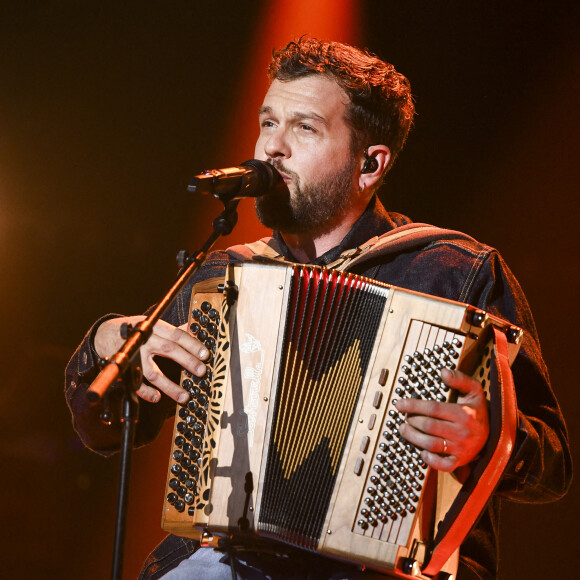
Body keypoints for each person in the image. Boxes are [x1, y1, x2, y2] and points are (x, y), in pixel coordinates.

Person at [65, 38, 571, 579]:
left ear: (369, 164)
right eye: (267, 123)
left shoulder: (454, 271)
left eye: (304, 127)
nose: (271, 148)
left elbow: (553, 464)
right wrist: (104, 344)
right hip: (229, 561)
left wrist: (489, 436)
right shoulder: (223, 275)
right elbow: (111, 431)